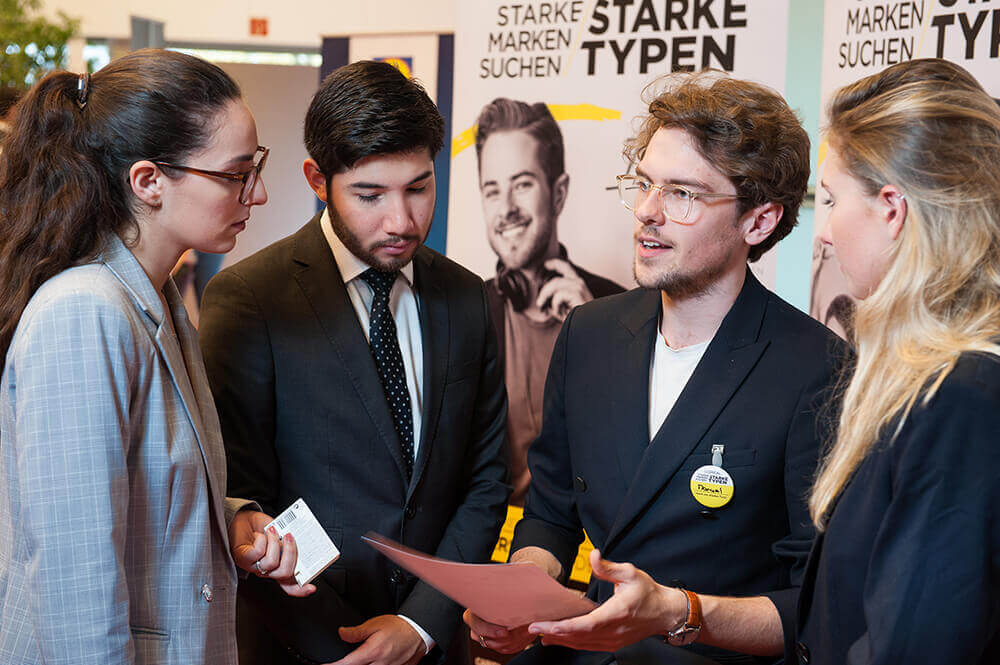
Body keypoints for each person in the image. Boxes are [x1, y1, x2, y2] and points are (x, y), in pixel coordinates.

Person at [465, 71, 848, 665]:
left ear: (760, 221)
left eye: (683, 194)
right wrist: (521, 594)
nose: (647, 211)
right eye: (644, 184)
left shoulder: (816, 369)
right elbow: (549, 515)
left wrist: (681, 613)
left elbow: (818, 608)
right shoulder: (590, 334)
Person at [0, 49, 308, 665]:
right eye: (235, 173)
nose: (260, 192)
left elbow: (134, 490)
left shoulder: (154, 296)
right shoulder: (84, 313)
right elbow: (74, 586)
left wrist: (230, 520)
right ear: (148, 181)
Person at [198, 60, 510, 665]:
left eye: (419, 187)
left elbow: (485, 478)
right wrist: (340, 643)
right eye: (370, 195)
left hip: (435, 645)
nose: (402, 221)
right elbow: (240, 497)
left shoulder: (467, 296)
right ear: (318, 178)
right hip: (300, 642)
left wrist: (420, 626)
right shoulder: (250, 300)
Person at [793, 58, 1000, 665]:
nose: (823, 233)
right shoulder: (929, 380)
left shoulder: (960, 397)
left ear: (892, 208)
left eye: (830, 200)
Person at [475, 98, 624, 504]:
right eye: (492, 190)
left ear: (558, 194)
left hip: (586, 550)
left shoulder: (620, 309)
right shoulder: (468, 312)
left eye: (522, 184)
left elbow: (633, 447)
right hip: (488, 547)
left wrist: (595, 336)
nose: (506, 209)